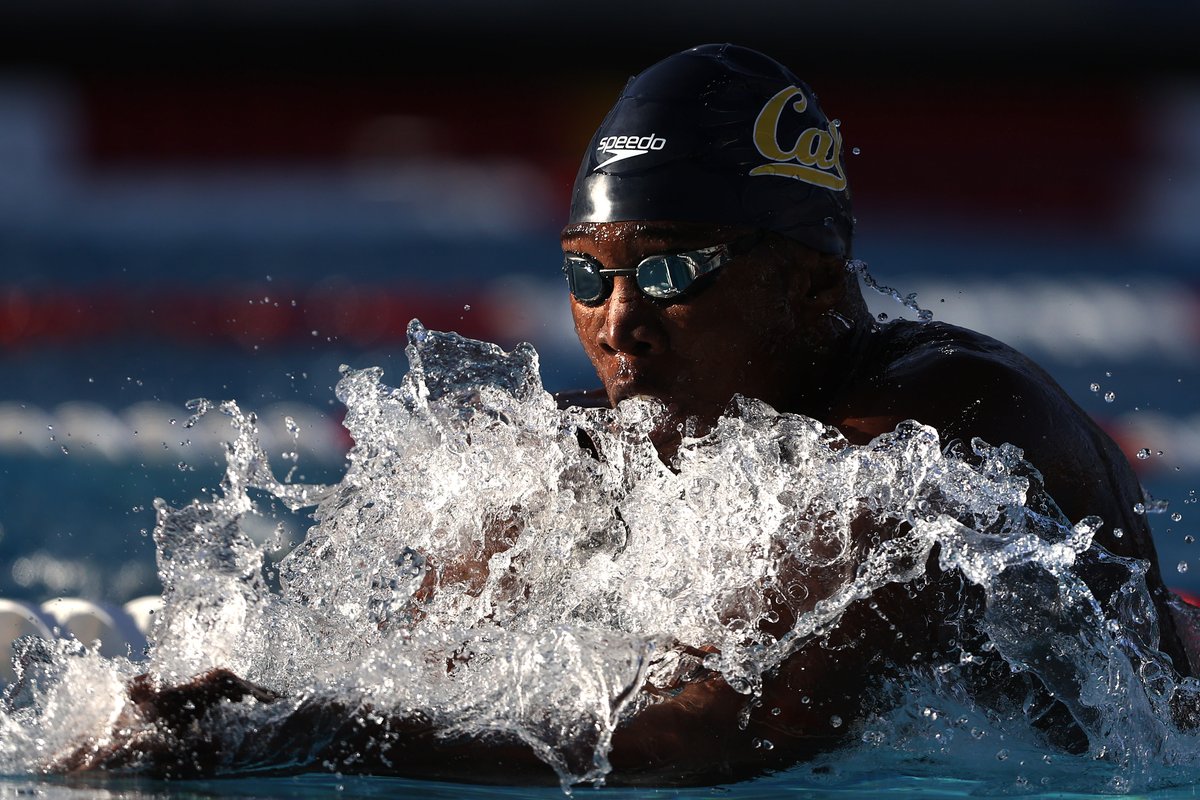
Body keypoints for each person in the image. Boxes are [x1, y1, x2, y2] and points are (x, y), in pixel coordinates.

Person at [52, 43, 1196, 785]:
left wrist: (311, 732)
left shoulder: (932, 436)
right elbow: (416, 666)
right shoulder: (610, 444)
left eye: (672, 270)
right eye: (587, 274)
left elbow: (717, 734)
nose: (617, 323)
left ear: (809, 282)